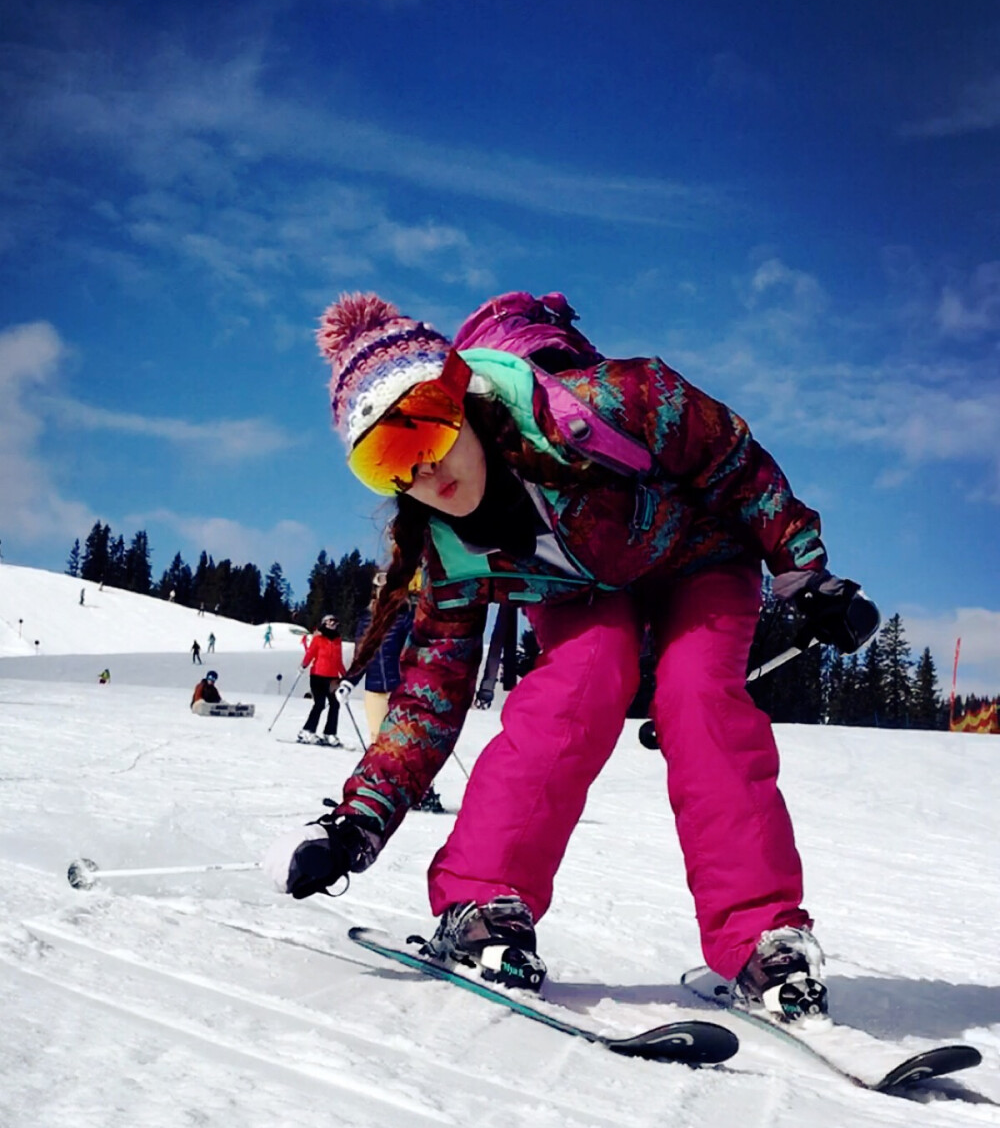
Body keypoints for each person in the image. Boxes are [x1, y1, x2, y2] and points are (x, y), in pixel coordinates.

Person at [264, 292, 879, 1020]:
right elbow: (430, 697)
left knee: (697, 695)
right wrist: (355, 822)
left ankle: (762, 938)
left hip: (701, 554)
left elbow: (730, 456)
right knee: (584, 679)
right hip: (582, 589)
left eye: (423, 423)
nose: (423, 467)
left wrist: (803, 565)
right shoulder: (454, 553)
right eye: (387, 455)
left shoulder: (602, 406)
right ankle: (481, 901)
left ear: (460, 391)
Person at [349, 569, 444, 812]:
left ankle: (422, 790)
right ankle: (382, 788)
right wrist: (349, 682)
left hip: (399, 687)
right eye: (382, 587)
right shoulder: (366, 622)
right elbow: (361, 656)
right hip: (374, 689)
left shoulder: (405, 618)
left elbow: (417, 649)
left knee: (407, 740)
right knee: (378, 741)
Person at [298, 615, 345, 746]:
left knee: (335, 704)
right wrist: (303, 665)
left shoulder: (337, 640)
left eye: (335, 622)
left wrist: (346, 676)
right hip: (318, 675)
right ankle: (307, 731)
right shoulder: (318, 638)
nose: (333, 624)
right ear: (324, 623)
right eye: (330, 622)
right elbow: (310, 653)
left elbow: (338, 660)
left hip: (332, 678)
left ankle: (330, 733)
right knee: (319, 704)